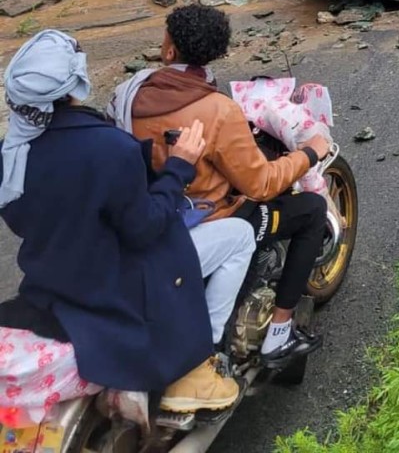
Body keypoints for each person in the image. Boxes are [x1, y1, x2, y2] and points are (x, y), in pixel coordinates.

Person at [0, 29, 241, 413]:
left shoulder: (10, 152)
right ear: (76, 83)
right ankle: (196, 366)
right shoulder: (110, 148)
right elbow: (144, 227)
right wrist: (179, 166)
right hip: (116, 286)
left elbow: (24, 217)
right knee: (239, 235)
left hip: (53, 281)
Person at [110, 5, 330, 366]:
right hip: (209, 220)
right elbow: (261, 183)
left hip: (146, 212)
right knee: (311, 210)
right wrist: (308, 153)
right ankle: (279, 332)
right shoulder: (217, 109)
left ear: (169, 51)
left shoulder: (127, 96)